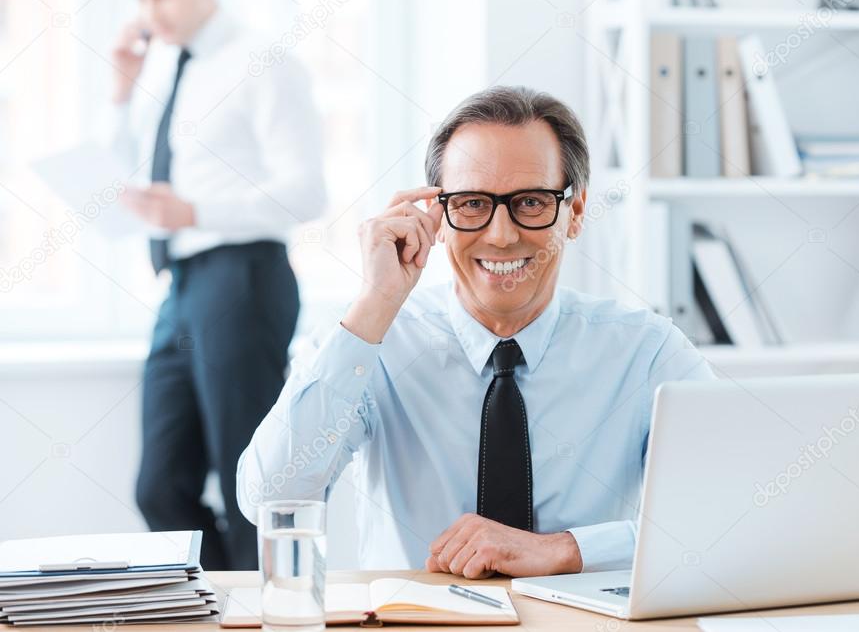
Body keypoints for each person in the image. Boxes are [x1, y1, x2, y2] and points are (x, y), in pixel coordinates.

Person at [237, 86, 713, 578]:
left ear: (575, 213)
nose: (502, 235)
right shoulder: (369, 341)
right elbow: (273, 501)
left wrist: (566, 549)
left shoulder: (646, 351)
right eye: (471, 204)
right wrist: (376, 304)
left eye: (530, 202)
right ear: (437, 217)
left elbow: (731, 515)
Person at [109, 0, 326, 570]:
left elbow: (307, 192)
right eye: (140, 0)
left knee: (249, 486)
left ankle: (264, 607)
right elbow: (123, 180)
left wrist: (194, 210)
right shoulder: (165, 70)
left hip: (244, 277)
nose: (151, 14)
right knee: (158, 485)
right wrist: (119, 94)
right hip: (180, 284)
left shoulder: (264, 61)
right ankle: (228, 593)